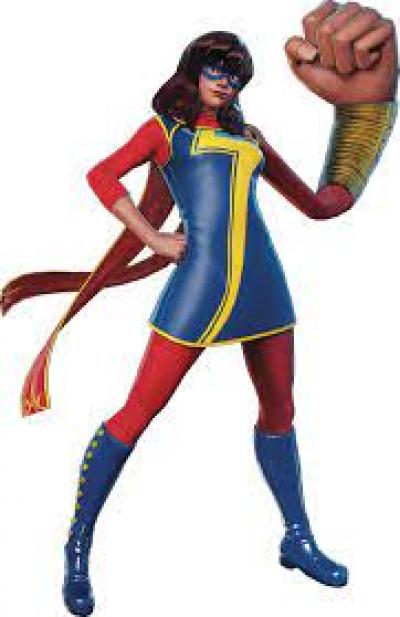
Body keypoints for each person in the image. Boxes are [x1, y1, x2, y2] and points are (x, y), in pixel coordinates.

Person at [1, 3, 397, 615]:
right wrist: (153, 238)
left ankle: (297, 537)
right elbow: (101, 176)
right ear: (193, 69)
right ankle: (77, 545)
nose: (226, 81)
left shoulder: (249, 137)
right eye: (216, 68)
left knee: (281, 413)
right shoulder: (166, 131)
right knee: (136, 414)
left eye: (235, 74)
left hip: (265, 291)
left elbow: (322, 205)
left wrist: (367, 113)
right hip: (198, 291)